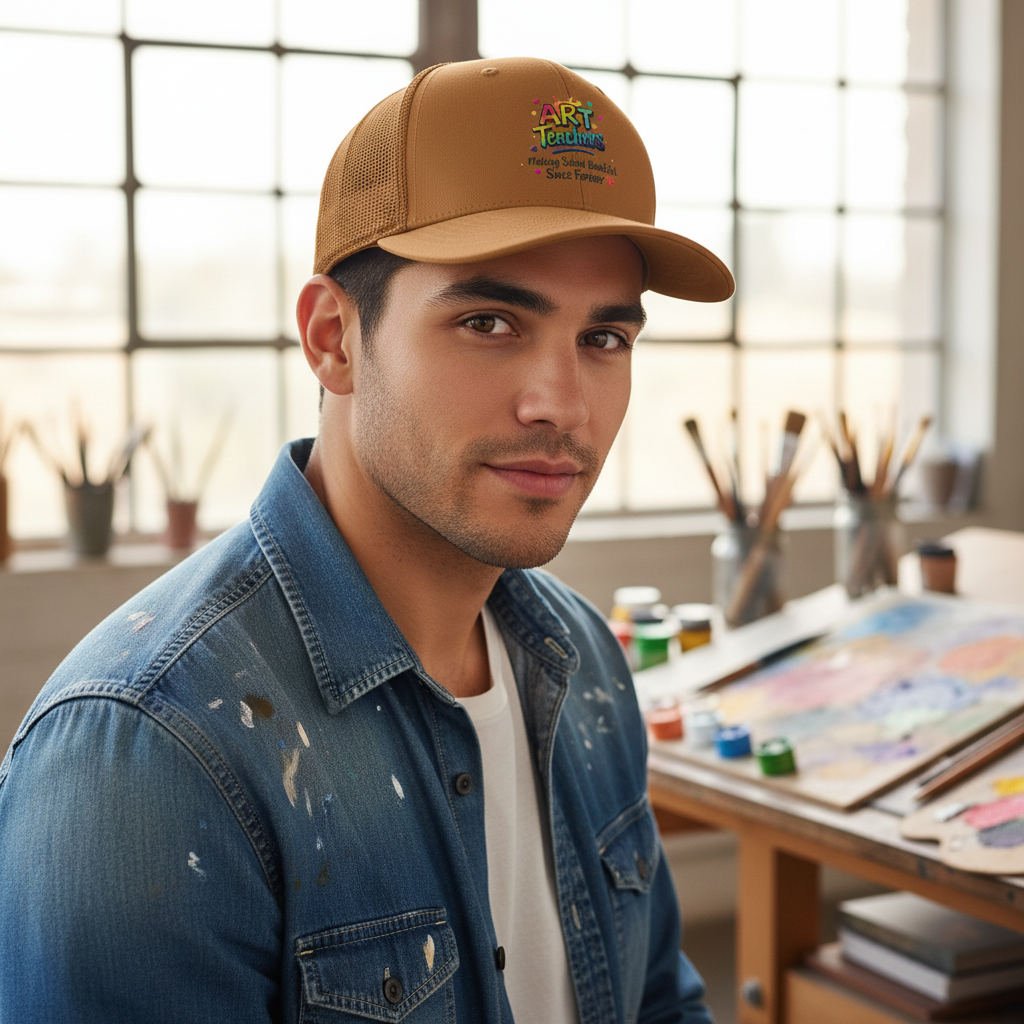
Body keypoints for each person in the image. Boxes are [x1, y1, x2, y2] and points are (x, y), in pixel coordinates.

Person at [0, 56, 733, 1023]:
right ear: (334, 339)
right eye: (489, 320)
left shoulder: (584, 661)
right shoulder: (145, 758)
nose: (563, 405)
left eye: (604, 339)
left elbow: (656, 1003)